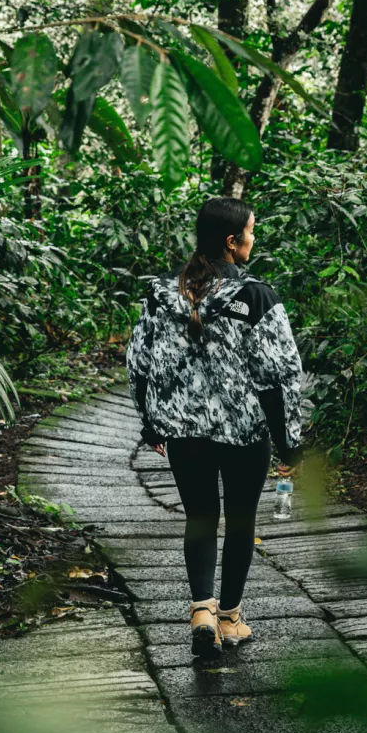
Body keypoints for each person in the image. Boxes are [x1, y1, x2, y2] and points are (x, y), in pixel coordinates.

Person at [126, 196, 304, 655]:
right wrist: (290, 446)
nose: (254, 237)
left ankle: (200, 610)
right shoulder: (257, 297)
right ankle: (229, 620)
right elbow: (281, 376)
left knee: (200, 518)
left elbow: (139, 364)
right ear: (232, 241)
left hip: (185, 433)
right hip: (244, 435)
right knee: (241, 522)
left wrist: (152, 425)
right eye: (251, 230)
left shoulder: (163, 295)